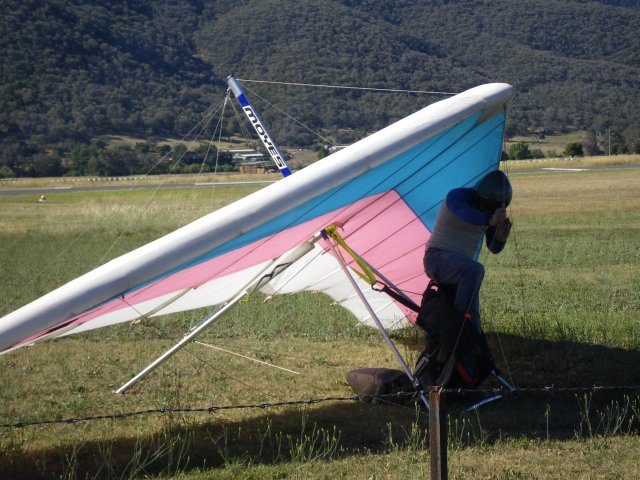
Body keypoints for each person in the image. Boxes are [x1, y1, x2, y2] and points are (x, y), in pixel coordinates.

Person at [423, 170, 512, 333]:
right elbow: (465, 213)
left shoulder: (488, 214)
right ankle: (459, 323)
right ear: (480, 196)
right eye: (485, 208)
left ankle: (469, 337)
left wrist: (500, 238)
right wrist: (489, 219)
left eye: (489, 211)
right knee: (474, 270)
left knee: (474, 323)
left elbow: (494, 248)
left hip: (461, 269)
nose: (485, 211)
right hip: (436, 259)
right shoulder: (457, 196)